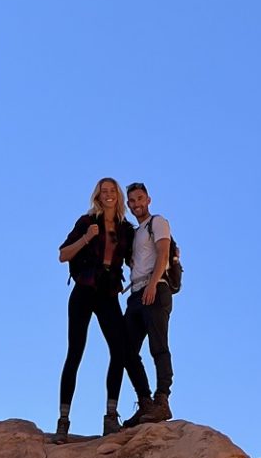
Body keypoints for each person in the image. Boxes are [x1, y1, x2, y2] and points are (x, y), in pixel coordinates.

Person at [55, 177, 153, 439]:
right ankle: (63, 421)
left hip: (108, 293)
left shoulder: (124, 229)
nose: (108, 195)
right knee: (75, 351)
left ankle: (111, 416)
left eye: (112, 191)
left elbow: (142, 253)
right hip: (84, 289)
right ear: (97, 196)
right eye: (103, 191)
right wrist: (86, 238)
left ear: (118, 196)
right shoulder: (87, 222)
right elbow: (63, 254)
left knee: (119, 351)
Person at [120, 181, 174, 424]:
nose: (136, 204)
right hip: (135, 293)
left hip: (155, 287)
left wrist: (153, 284)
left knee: (158, 345)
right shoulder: (135, 232)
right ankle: (145, 402)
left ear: (148, 199)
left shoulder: (158, 222)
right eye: (131, 201)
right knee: (125, 349)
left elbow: (163, 253)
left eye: (139, 199)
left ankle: (162, 399)